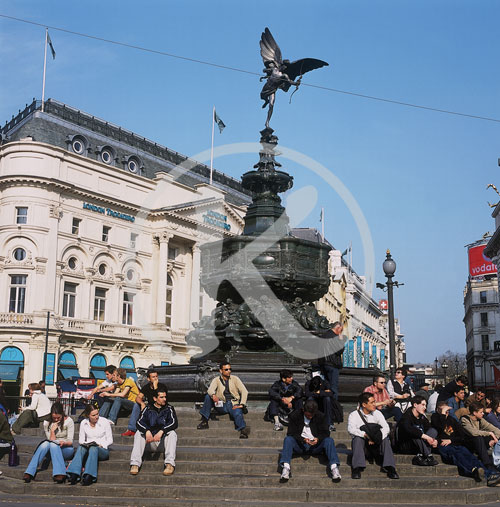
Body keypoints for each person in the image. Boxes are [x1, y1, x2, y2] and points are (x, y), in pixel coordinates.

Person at [431, 401, 500, 486]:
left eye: (448, 411)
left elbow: (461, 436)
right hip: (443, 446)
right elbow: (440, 427)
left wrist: (451, 440)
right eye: (445, 411)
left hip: (454, 443)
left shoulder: (451, 420)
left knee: (469, 456)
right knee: (458, 457)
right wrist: (442, 415)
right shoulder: (435, 418)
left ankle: (490, 474)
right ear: (439, 410)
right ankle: (475, 471)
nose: (447, 413)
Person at [279, 400, 341, 482]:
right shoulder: (295, 415)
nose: (310, 417)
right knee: (288, 440)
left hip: (315, 445)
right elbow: (291, 433)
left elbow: (325, 432)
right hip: (300, 444)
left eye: (312, 415)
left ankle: (334, 468)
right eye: (308, 415)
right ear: (303, 410)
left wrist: (318, 439)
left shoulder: (320, 416)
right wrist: (303, 440)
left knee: (329, 441)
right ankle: (286, 468)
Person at [347, 392, 399, 480]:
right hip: (363, 445)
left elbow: (386, 428)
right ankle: (357, 468)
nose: (375, 404)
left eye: (374, 401)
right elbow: (351, 429)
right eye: (372, 402)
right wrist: (365, 435)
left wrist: (376, 438)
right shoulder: (354, 415)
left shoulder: (377, 413)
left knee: (385, 439)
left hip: (377, 444)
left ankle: (390, 467)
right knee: (357, 439)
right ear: (364, 404)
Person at [23, 402, 74, 484]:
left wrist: (63, 443)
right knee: (45, 444)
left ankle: (60, 472)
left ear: (62, 414)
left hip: (65, 448)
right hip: (52, 447)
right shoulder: (47, 423)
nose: (56, 420)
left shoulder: (69, 421)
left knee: (52, 444)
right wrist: (52, 431)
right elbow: (50, 440)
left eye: (58, 418)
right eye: (54, 418)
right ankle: (29, 472)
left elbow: (70, 441)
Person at [129, 388, 177, 476]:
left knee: (172, 433)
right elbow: (139, 422)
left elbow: (174, 423)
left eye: (165, 397)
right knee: (139, 433)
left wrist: (162, 431)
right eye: (161, 397)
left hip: (162, 443)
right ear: (155, 398)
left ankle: (169, 464)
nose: (164, 399)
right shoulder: (148, 408)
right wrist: (147, 431)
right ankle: (135, 464)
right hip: (149, 442)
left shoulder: (169, 409)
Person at [197, 362, 250, 439]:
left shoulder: (235, 379)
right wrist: (213, 395)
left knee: (238, 413)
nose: (229, 371)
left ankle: (243, 430)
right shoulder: (216, 380)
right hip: (222, 404)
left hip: (233, 403)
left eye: (230, 369)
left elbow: (244, 391)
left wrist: (242, 404)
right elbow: (210, 390)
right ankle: (205, 421)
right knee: (208, 397)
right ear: (221, 371)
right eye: (226, 369)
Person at [66, 404, 113, 486]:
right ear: (88, 415)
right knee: (81, 447)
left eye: (97, 414)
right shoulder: (84, 423)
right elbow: (81, 440)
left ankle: (89, 476)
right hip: (88, 447)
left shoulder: (104, 422)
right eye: (93, 415)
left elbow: (110, 440)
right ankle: (74, 474)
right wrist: (86, 444)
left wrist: (101, 445)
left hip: (101, 449)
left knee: (93, 448)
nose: (96, 417)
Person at [123, 369, 168, 437]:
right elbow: (138, 398)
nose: (155, 378)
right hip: (150, 407)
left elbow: (159, 400)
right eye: (153, 377)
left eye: (156, 376)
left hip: (160, 408)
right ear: (148, 379)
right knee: (136, 405)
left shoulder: (162, 386)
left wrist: (155, 387)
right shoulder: (146, 387)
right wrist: (142, 403)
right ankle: (131, 429)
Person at [396, 395, 439, 466]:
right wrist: (426, 437)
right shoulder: (406, 416)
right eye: (423, 405)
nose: (425, 407)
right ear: (415, 405)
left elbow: (429, 429)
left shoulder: (422, 417)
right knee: (416, 433)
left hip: (420, 444)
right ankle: (428, 456)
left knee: (433, 431)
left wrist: (434, 440)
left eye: (425, 405)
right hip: (406, 445)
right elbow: (409, 429)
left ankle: (421, 455)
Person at [461, 402, 500, 471]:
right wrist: (489, 433)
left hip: (479, 442)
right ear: (474, 413)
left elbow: (495, 429)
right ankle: (487, 464)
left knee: (487, 437)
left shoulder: (480, 420)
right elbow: (473, 432)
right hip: (468, 443)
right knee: (479, 437)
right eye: (481, 412)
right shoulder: (465, 419)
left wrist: (494, 438)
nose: (483, 414)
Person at [317, 321, 345, 401]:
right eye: (341, 330)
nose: (341, 332)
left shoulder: (323, 336)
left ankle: (327, 404)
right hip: (333, 364)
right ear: (338, 328)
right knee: (334, 388)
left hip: (324, 364)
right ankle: (334, 406)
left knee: (327, 387)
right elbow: (339, 351)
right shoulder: (334, 337)